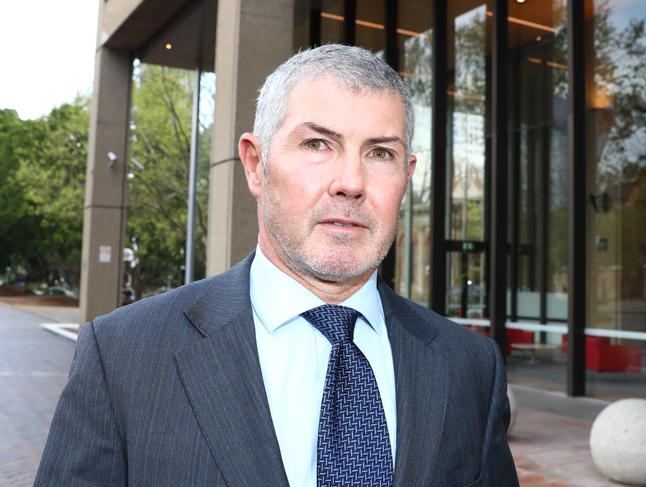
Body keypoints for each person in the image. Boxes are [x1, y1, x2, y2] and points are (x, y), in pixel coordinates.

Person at [35, 44, 519, 486]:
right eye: (317, 145)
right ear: (255, 164)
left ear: (406, 176)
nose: (350, 182)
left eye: (379, 153)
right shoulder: (124, 356)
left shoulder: (470, 368)